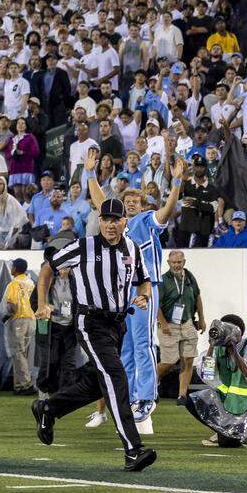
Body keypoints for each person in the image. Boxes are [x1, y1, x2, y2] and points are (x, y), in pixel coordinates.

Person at [32, 198, 157, 472]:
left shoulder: (133, 248)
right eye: (106, 219)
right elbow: (47, 268)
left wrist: (144, 296)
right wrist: (42, 303)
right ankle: (133, 450)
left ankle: (49, 408)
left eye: (116, 219)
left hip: (117, 325)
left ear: (125, 222)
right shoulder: (83, 246)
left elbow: (144, 280)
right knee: (115, 377)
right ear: (99, 221)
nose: (111, 225)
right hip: (90, 321)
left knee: (97, 383)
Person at [84, 148, 186, 432]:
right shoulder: (117, 224)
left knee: (143, 343)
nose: (130, 204)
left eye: (135, 201)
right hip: (120, 291)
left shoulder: (147, 221)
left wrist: (176, 183)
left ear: (143, 206)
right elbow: (100, 201)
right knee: (125, 347)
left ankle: (147, 397)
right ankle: (129, 398)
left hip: (144, 288)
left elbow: (167, 211)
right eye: (126, 201)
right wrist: (90, 173)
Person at [185, 315, 247, 448]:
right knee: (192, 401)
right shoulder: (219, 348)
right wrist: (211, 346)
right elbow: (206, 374)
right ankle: (221, 430)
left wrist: (234, 351)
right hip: (227, 402)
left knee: (228, 443)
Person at [31, 232, 80, 398]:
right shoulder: (46, 279)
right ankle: (45, 394)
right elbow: (34, 301)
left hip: (70, 327)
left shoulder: (76, 280)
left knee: (69, 363)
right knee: (49, 361)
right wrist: (44, 307)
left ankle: (64, 396)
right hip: (48, 326)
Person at [156, 251, 206, 405]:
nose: (176, 265)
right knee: (169, 361)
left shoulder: (189, 277)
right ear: (168, 263)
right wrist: (163, 323)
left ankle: (182, 396)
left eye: (179, 262)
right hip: (169, 324)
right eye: (174, 262)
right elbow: (156, 304)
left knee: (188, 359)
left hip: (187, 323)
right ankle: (150, 384)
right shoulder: (163, 280)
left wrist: (202, 319)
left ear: (184, 262)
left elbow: (197, 297)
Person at [1, 258, 36, 395]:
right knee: (24, 354)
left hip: (19, 320)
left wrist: (5, 317)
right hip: (32, 320)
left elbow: (12, 305)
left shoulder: (14, 284)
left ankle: (25, 385)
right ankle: (19, 386)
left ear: (15, 268)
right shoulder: (31, 283)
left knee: (18, 353)